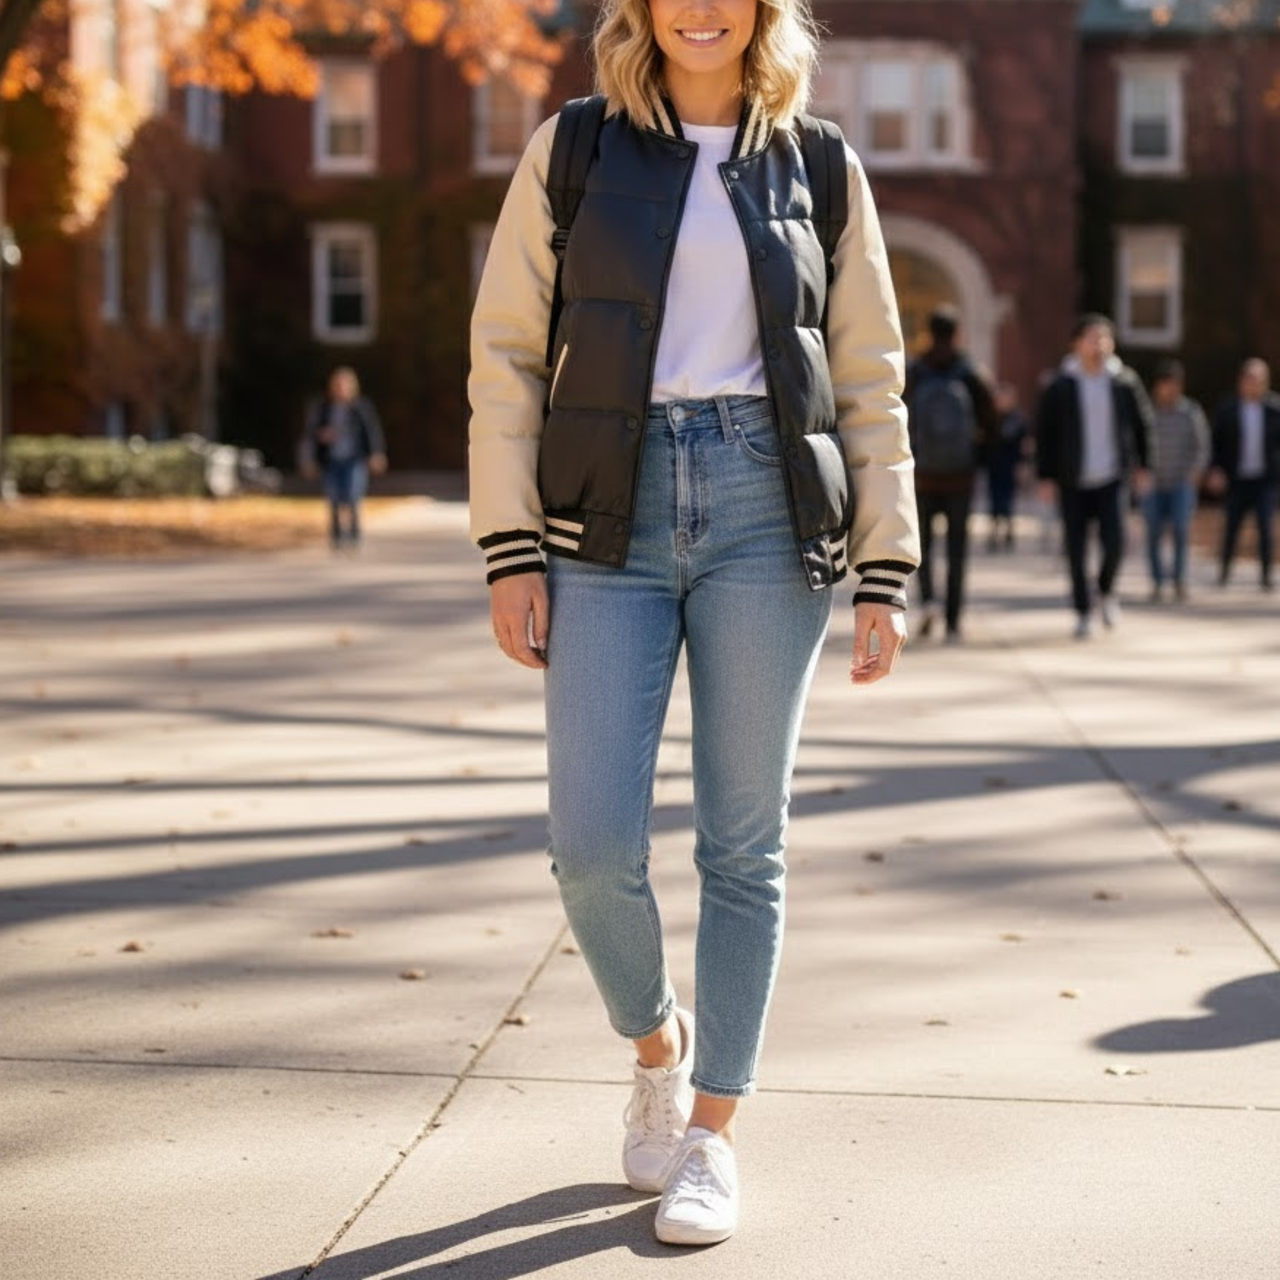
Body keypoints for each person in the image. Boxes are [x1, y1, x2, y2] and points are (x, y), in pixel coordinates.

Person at [468, 0, 919, 1247]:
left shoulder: (818, 161)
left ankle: (711, 1132)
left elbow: (867, 370)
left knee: (742, 841)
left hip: (767, 516)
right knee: (589, 838)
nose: (703, 7)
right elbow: (506, 347)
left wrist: (884, 561)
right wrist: (510, 544)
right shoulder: (574, 146)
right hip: (600, 515)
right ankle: (654, 1041)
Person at [1035, 314, 1152, 639]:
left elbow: (1143, 424)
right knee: (1075, 548)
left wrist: (1145, 465)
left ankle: (1105, 590)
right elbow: (1046, 432)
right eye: (1091, 338)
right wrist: (1045, 476)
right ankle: (1083, 610)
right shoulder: (1061, 385)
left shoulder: (1124, 381)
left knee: (1114, 542)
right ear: (1076, 344)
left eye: (1104, 338)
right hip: (1072, 480)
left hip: (1112, 476)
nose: (1098, 345)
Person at [905, 307, 996, 643]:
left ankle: (928, 601)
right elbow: (992, 421)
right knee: (957, 550)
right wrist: (977, 456)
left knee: (922, 546)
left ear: (929, 332)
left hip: (922, 475)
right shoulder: (970, 372)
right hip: (960, 475)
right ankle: (954, 619)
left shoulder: (915, 371)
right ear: (957, 333)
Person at [1208, 358, 1280, 591]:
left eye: (1259, 380)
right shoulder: (1228, 409)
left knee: (1265, 529)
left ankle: (1266, 577)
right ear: (1241, 382)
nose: (1254, 385)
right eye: (1250, 380)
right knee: (1231, 528)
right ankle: (1225, 572)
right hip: (1236, 479)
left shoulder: (1274, 410)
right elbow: (1215, 443)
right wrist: (1215, 470)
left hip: (1264, 480)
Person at [1141, 359, 1209, 603]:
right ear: (1157, 386)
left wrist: (1194, 474)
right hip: (1152, 484)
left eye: (1176, 384)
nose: (1172, 389)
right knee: (1153, 535)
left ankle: (1180, 579)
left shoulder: (1190, 412)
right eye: (1167, 384)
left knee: (1181, 530)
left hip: (1182, 483)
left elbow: (1201, 448)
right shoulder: (1145, 412)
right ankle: (1158, 582)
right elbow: (1134, 445)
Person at [301, 367, 387, 549]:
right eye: (337, 385)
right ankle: (336, 534)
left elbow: (371, 432)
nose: (340, 388)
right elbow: (310, 433)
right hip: (331, 459)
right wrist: (315, 448)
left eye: (344, 385)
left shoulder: (361, 407)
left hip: (354, 458)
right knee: (333, 496)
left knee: (353, 494)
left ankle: (355, 532)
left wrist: (376, 453)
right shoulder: (323, 407)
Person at [987, 381, 1030, 552]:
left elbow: (1026, 446)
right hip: (994, 466)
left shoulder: (1019, 420)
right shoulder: (991, 419)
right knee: (994, 500)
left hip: (1010, 467)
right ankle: (995, 532)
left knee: (1008, 501)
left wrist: (1024, 466)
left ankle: (1008, 531)